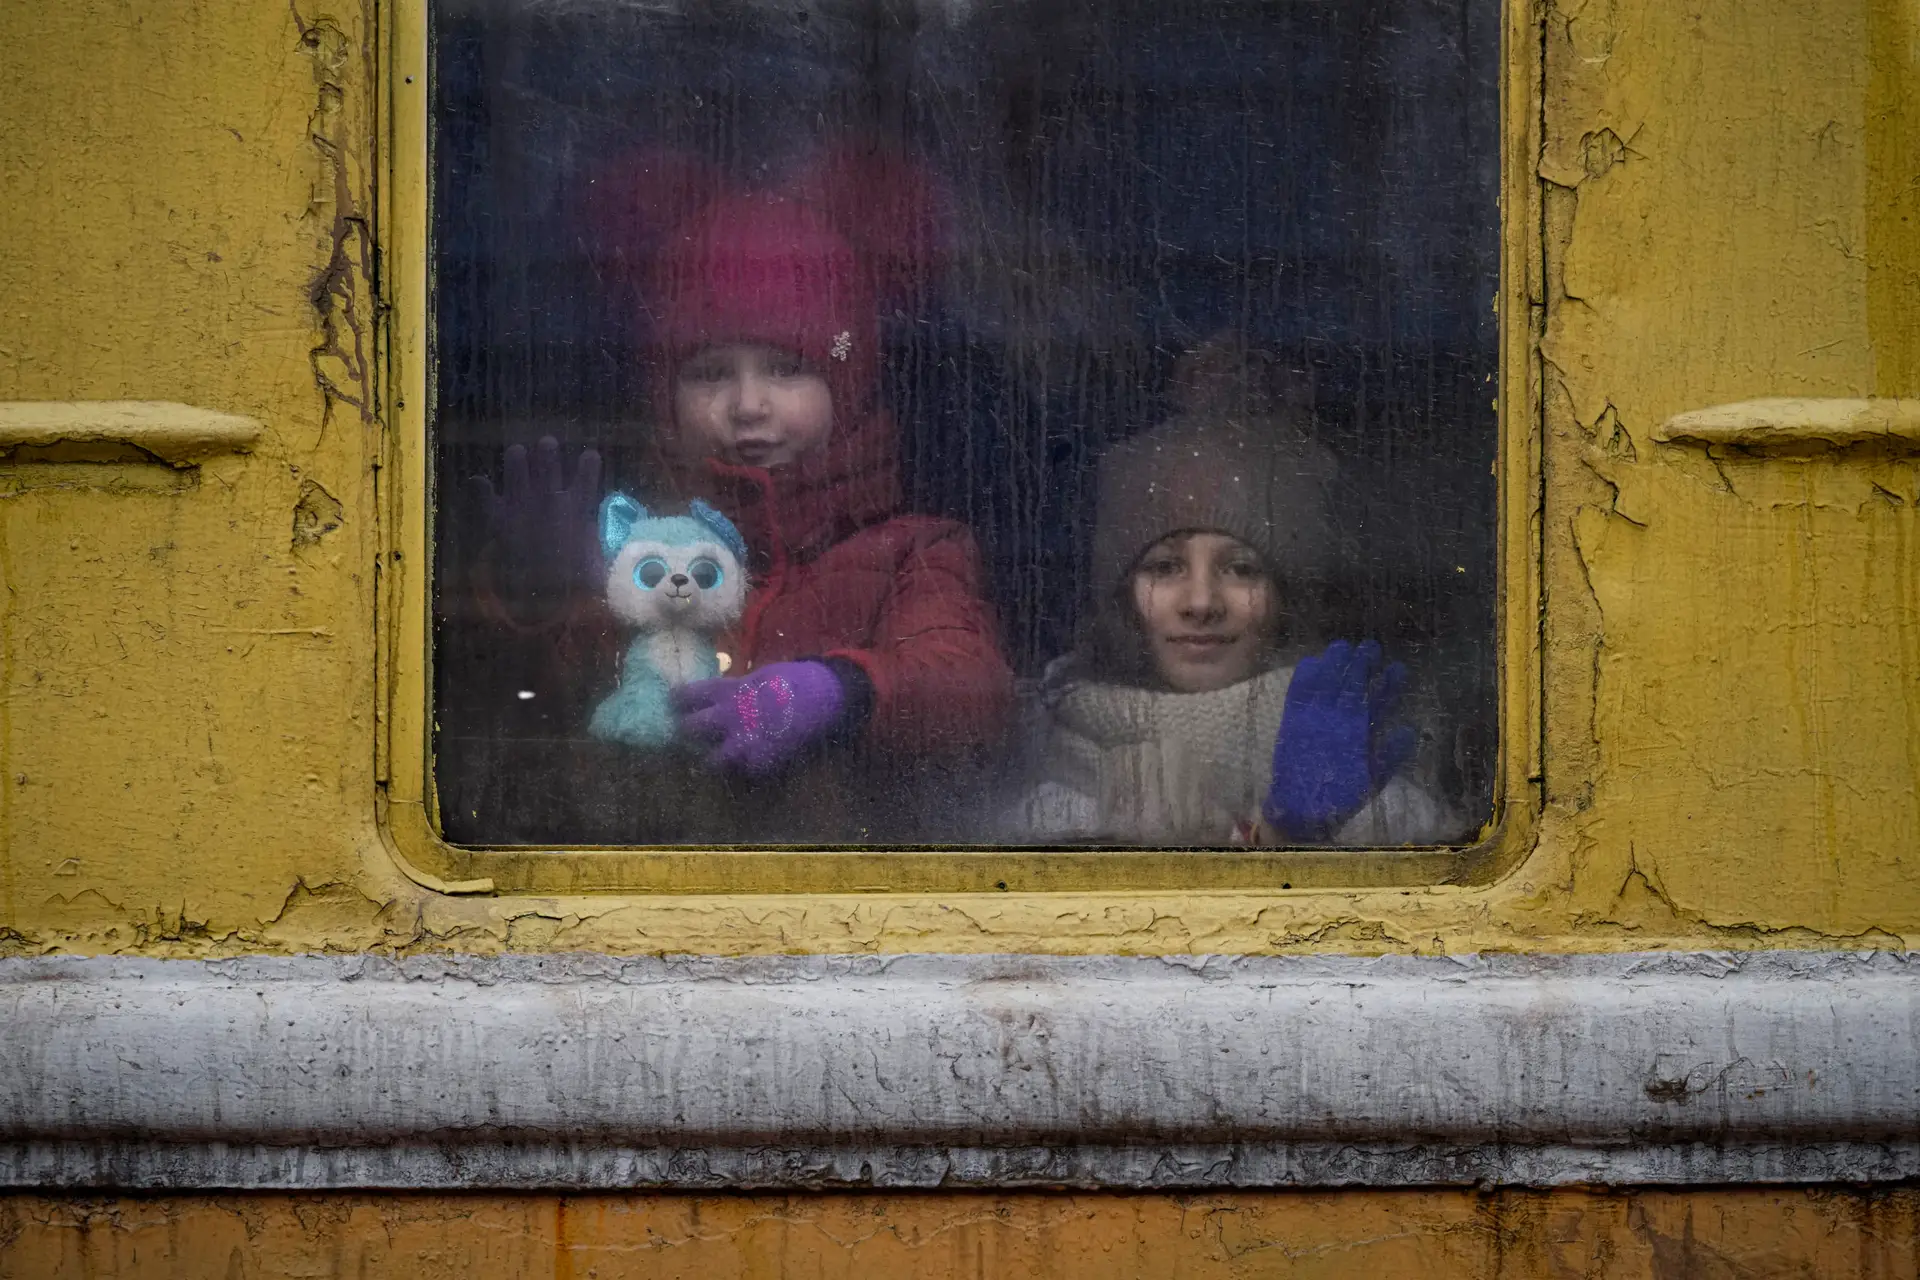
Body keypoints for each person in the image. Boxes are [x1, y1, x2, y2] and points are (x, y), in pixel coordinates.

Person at [445, 167, 1013, 843]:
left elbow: (972, 683)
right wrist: (541, 594)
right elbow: (519, 714)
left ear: (849, 381)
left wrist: (839, 691)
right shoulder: (629, 551)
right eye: (710, 372)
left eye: (788, 368)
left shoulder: (913, 552)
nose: (749, 406)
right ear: (664, 395)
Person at [1009, 405, 1463, 847]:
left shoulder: (1378, 801)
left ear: (1287, 599)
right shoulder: (1052, 814)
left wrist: (1291, 838)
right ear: (1123, 598)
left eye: (1242, 569)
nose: (1202, 603)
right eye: (1165, 567)